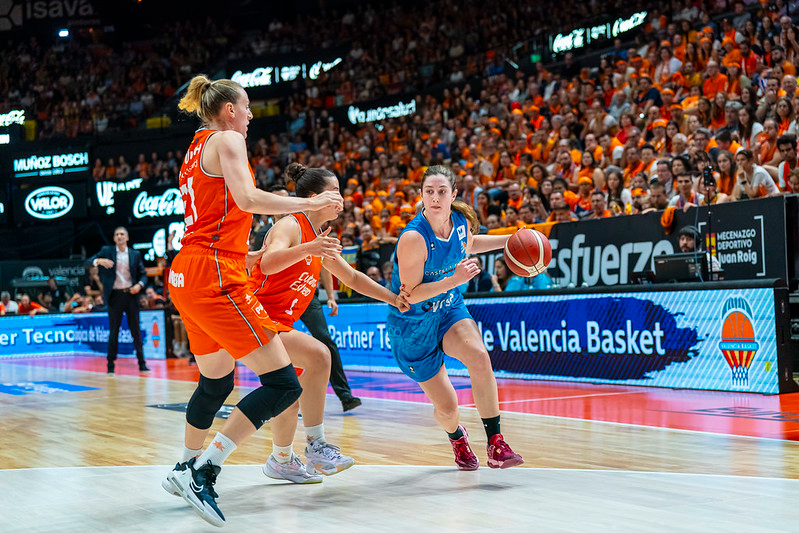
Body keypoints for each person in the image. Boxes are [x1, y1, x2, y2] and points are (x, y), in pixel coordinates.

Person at [161, 75, 342, 527]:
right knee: (284, 385)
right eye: (246, 108)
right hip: (215, 275)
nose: (250, 116)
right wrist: (307, 204)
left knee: (216, 383)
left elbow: (212, 215)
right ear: (229, 110)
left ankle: (184, 465)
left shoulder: (194, 148)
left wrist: (246, 255)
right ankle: (204, 472)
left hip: (188, 270)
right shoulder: (227, 138)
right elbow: (246, 198)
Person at [247, 162, 409, 484]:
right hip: (252, 316)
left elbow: (352, 277)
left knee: (289, 392)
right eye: (334, 191)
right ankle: (315, 445)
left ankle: (281, 460)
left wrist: (393, 299)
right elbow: (266, 262)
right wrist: (309, 248)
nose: (341, 198)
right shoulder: (290, 225)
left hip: (276, 323)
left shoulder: (318, 236)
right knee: (319, 356)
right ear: (313, 198)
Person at [386, 165, 524, 471]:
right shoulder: (413, 237)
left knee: (479, 356)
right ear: (421, 196)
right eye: (429, 192)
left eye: (442, 191)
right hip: (413, 325)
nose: (435, 198)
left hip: (448, 309)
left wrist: (512, 239)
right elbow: (410, 295)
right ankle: (457, 437)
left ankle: (496, 443)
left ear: (454, 194)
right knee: (448, 410)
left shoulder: (460, 222)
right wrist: (454, 279)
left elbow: (470, 244)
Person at [87, 226, 149, 374]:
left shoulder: (134, 254)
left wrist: (139, 285)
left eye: (122, 234)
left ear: (127, 237)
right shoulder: (107, 251)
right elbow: (87, 262)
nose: (119, 236)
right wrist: (99, 261)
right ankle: (110, 365)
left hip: (131, 295)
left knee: (136, 330)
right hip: (115, 296)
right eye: (117, 234)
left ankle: (142, 363)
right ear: (114, 238)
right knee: (114, 331)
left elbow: (143, 274)